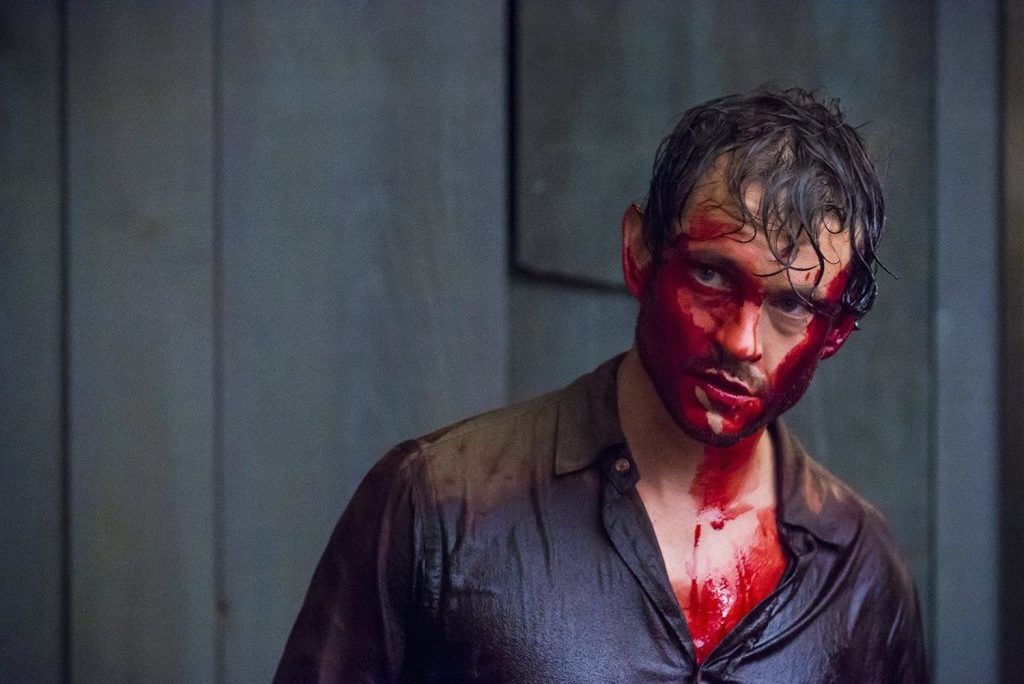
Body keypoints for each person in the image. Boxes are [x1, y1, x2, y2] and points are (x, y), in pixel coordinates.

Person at [274, 87, 928, 682]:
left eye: (791, 305)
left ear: (835, 334)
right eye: (710, 275)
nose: (741, 341)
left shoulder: (863, 571)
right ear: (639, 253)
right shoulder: (439, 503)